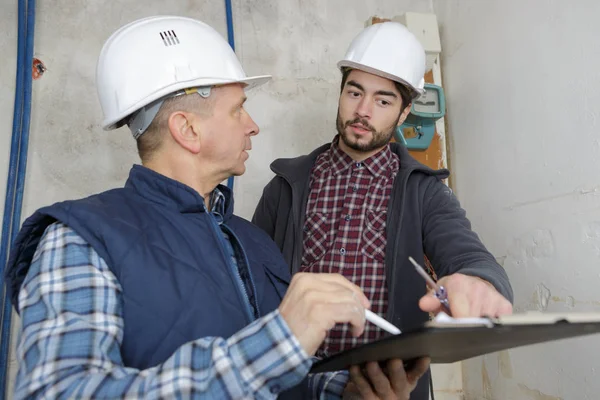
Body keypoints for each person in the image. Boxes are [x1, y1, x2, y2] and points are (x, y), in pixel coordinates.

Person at [4, 16, 429, 399]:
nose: (253, 125)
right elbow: (57, 391)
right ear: (188, 129)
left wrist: (345, 392)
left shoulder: (252, 242)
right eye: (238, 109)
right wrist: (279, 340)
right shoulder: (81, 239)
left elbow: (283, 375)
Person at [252, 21, 514, 399]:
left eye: (383, 100)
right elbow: (252, 284)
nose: (362, 111)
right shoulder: (285, 186)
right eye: (354, 92)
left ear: (405, 112)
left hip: (382, 387)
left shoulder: (425, 193)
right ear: (341, 92)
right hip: (290, 382)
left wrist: (480, 283)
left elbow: (470, 256)